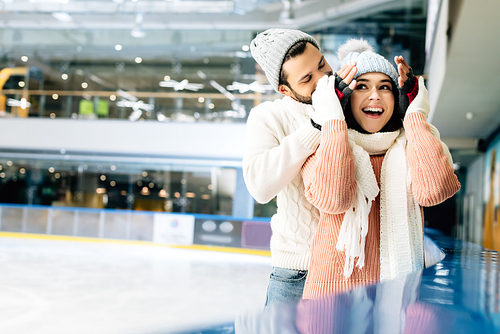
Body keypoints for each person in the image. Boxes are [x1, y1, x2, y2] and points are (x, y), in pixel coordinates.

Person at [301, 39, 461, 299]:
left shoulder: (417, 142)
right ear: (346, 99)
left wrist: (415, 115)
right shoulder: (322, 142)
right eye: (361, 86)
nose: (374, 95)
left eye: (384, 87)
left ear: (396, 99)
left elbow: (435, 192)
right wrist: (332, 119)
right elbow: (334, 199)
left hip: (401, 297)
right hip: (331, 298)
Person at [243, 28, 357, 306]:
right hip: (298, 271)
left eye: (322, 65)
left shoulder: (352, 100)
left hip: (356, 270)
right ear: (285, 90)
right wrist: (318, 123)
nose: (324, 79)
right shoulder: (269, 116)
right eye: (307, 79)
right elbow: (259, 187)